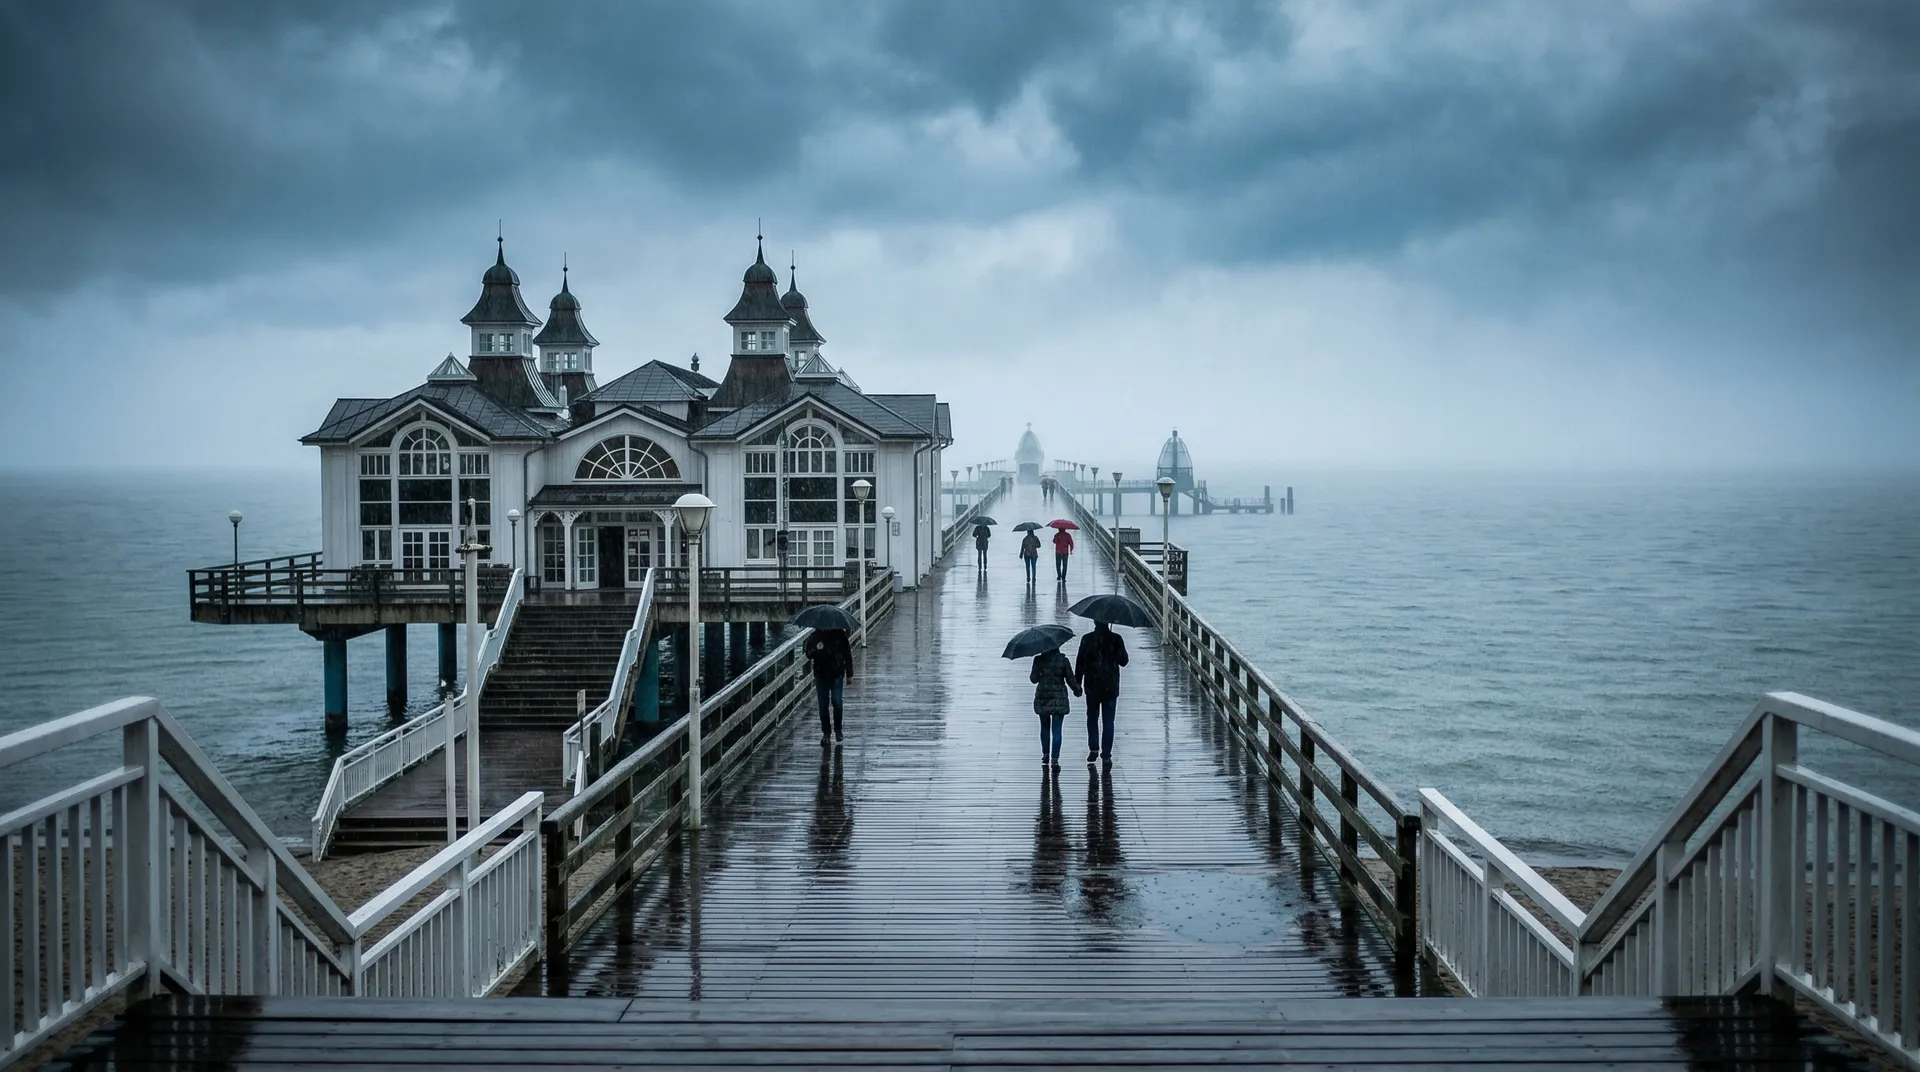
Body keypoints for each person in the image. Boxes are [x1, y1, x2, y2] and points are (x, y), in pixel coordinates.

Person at [1073, 621, 1130, 764]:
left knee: (1092, 717)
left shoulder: (1087, 639)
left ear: (1094, 622)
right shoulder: (1116, 639)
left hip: (1092, 685)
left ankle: (1093, 748)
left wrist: (1077, 683)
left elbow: (1080, 662)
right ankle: (1106, 754)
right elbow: (1124, 661)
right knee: (1108, 721)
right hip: (1110, 686)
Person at [1030, 644, 1081, 770]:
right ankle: (1055, 759)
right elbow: (1070, 679)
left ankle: (1045, 754)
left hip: (1043, 697)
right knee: (1057, 730)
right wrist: (1077, 690)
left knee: (1044, 727)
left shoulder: (1038, 660)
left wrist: (1041, 671)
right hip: (1059, 698)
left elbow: (1033, 679)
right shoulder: (1063, 661)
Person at [805, 626, 852, 744]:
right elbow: (808, 654)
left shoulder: (840, 634)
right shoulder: (815, 635)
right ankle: (826, 733)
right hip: (821, 674)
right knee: (823, 706)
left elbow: (847, 654)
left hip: (837, 673)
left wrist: (850, 673)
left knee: (837, 702)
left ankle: (838, 730)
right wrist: (817, 648)